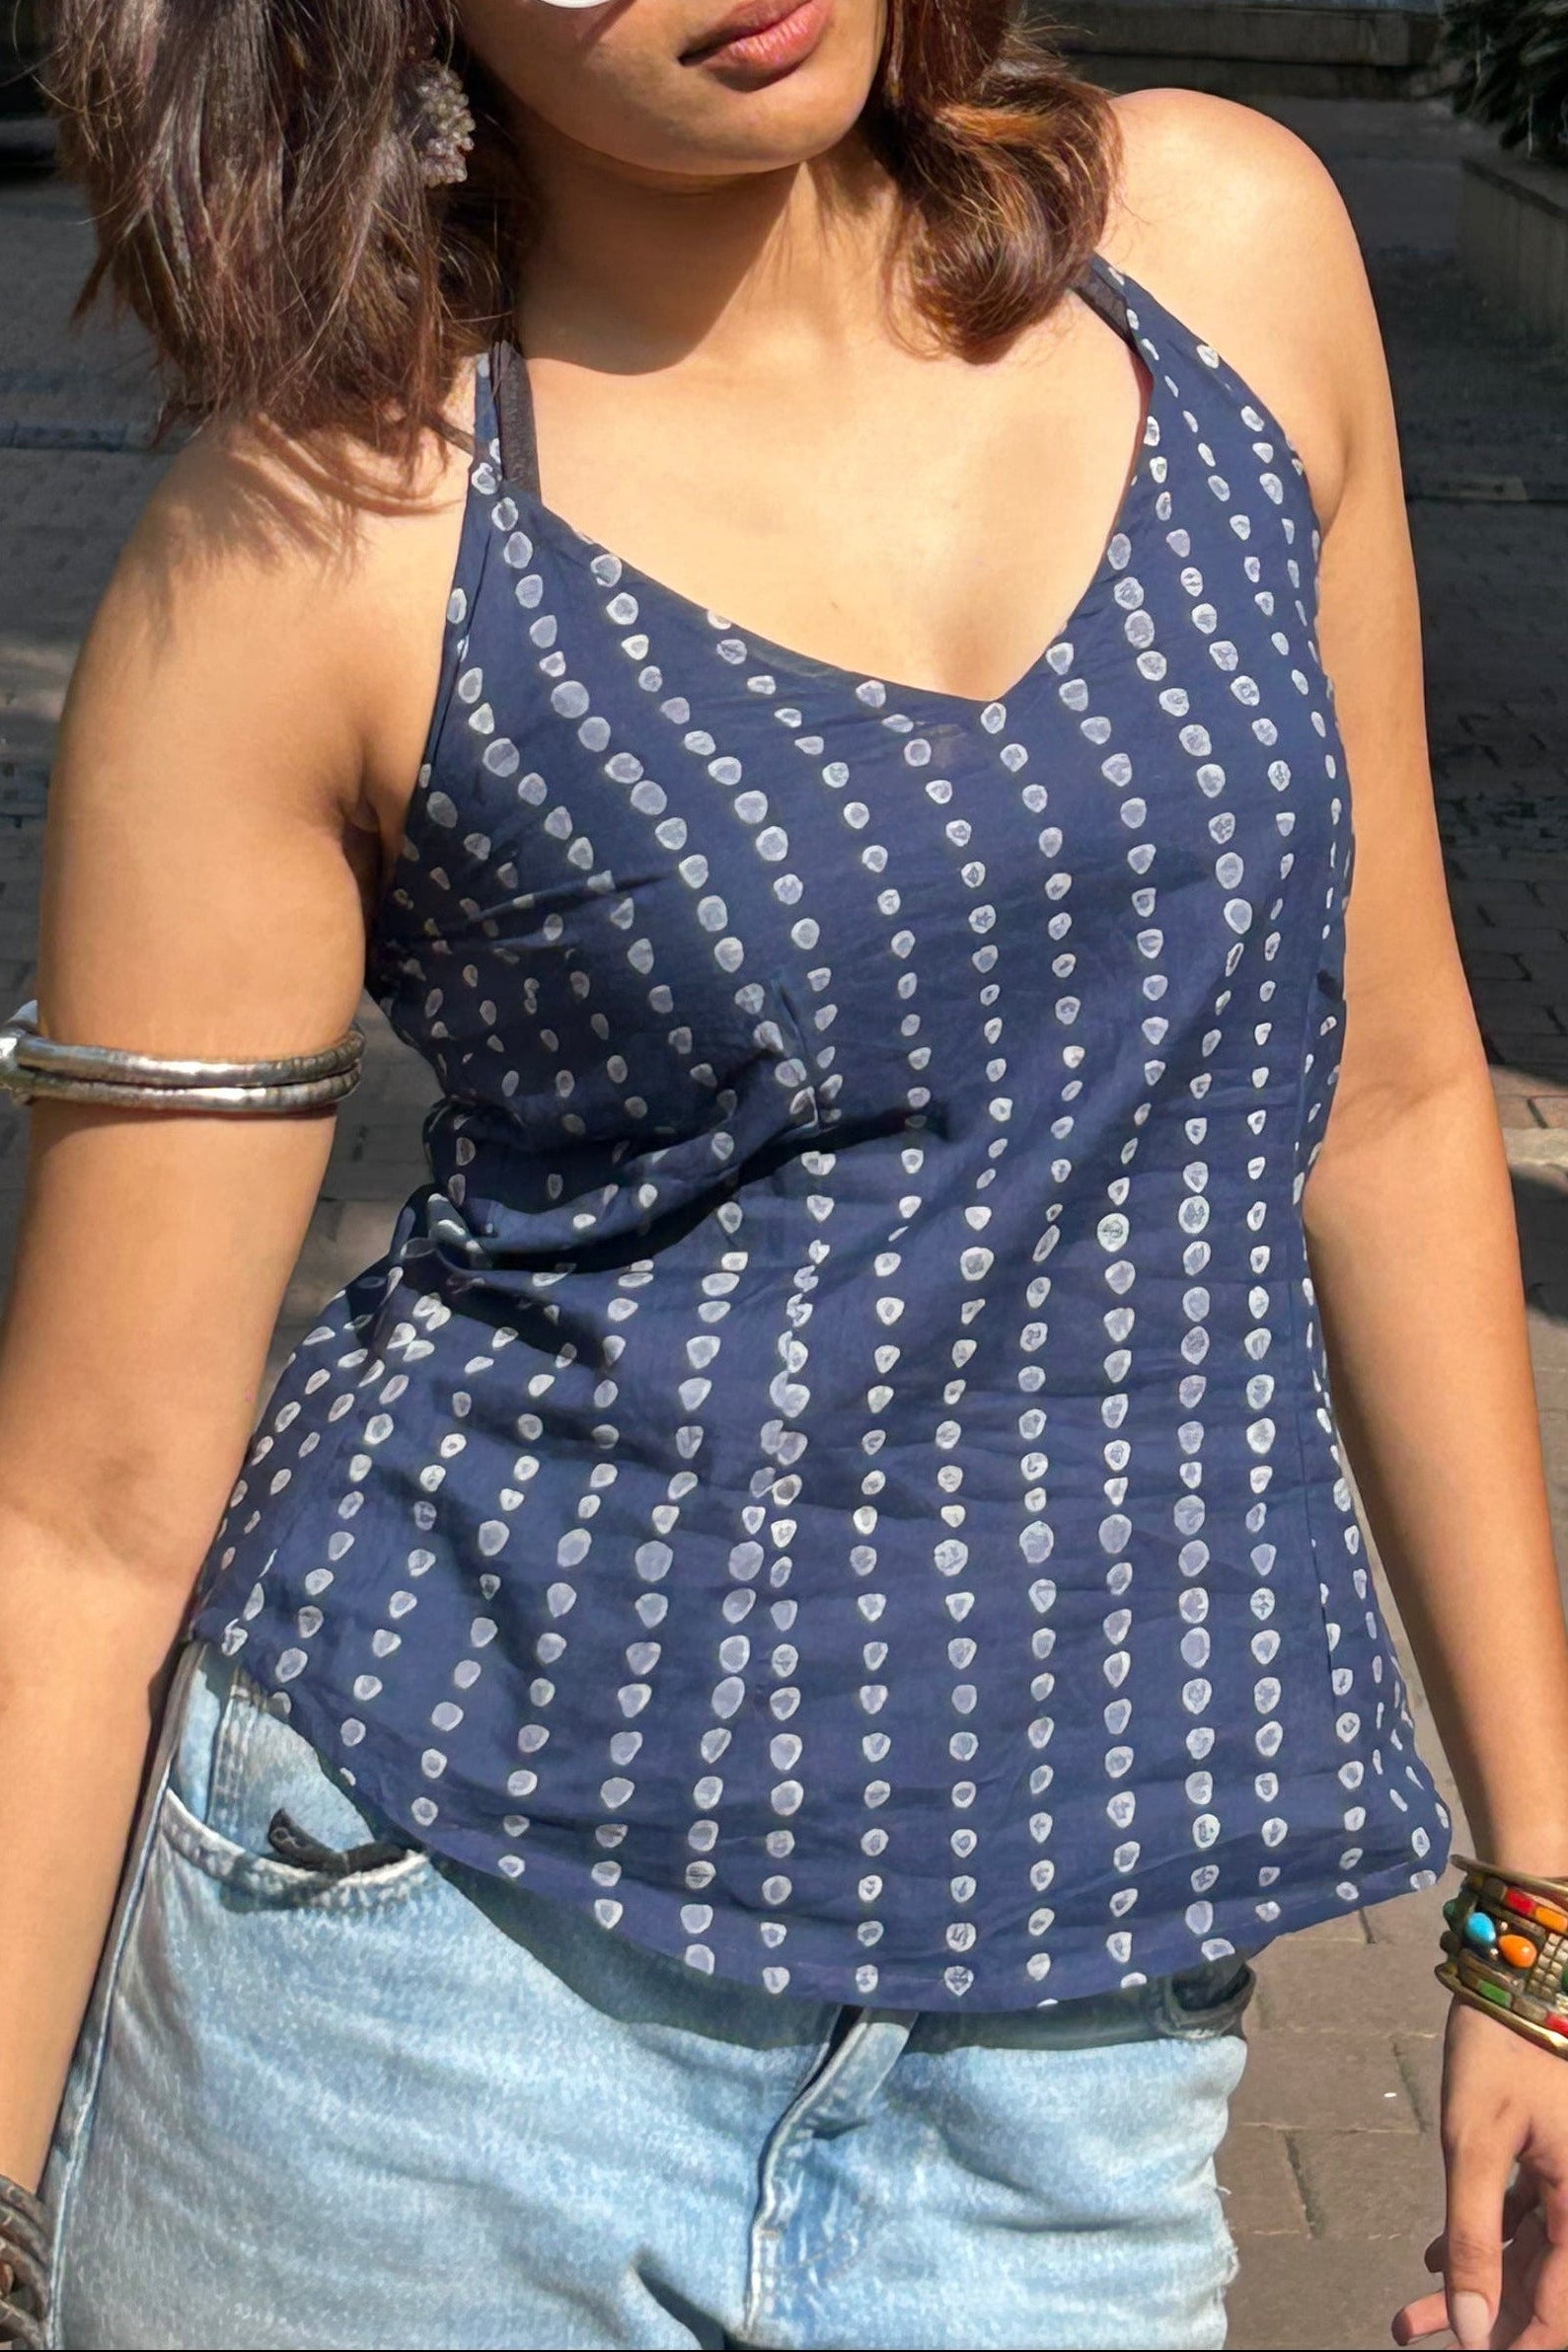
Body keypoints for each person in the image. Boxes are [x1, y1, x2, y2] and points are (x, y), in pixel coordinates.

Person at [0, 0, 1564, 2345]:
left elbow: (1396, 1094)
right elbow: (89, 1512)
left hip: (1069, 2081)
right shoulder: (312, 541)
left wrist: (1539, 1921)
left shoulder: (1225, 261)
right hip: (411, 2014)